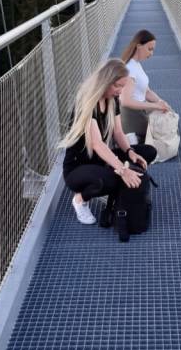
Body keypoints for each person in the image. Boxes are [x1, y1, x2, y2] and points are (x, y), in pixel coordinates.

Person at [61, 58, 157, 225]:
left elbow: (118, 132)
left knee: (148, 151)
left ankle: (111, 180)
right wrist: (122, 169)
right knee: (111, 180)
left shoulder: (111, 101)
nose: (120, 91)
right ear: (106, 82)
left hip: (101, 161)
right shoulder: (87, 104)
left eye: (122, 86)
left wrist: (130, 152)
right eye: (117, 86)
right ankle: (80, 199)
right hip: (78, 168)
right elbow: (97, 144)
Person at [118, 30, 171, 143]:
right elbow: (125, 101)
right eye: (149, 49)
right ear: (138, 46)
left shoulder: (136, 65)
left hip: (141, 111)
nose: (151, 53)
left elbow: (146, 92)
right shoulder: (130, 68)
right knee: (165, 130)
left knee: (168, 121)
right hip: (132, 115)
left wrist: (161, 102)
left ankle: (137, 137)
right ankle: (131, 135)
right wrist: (155, 106)